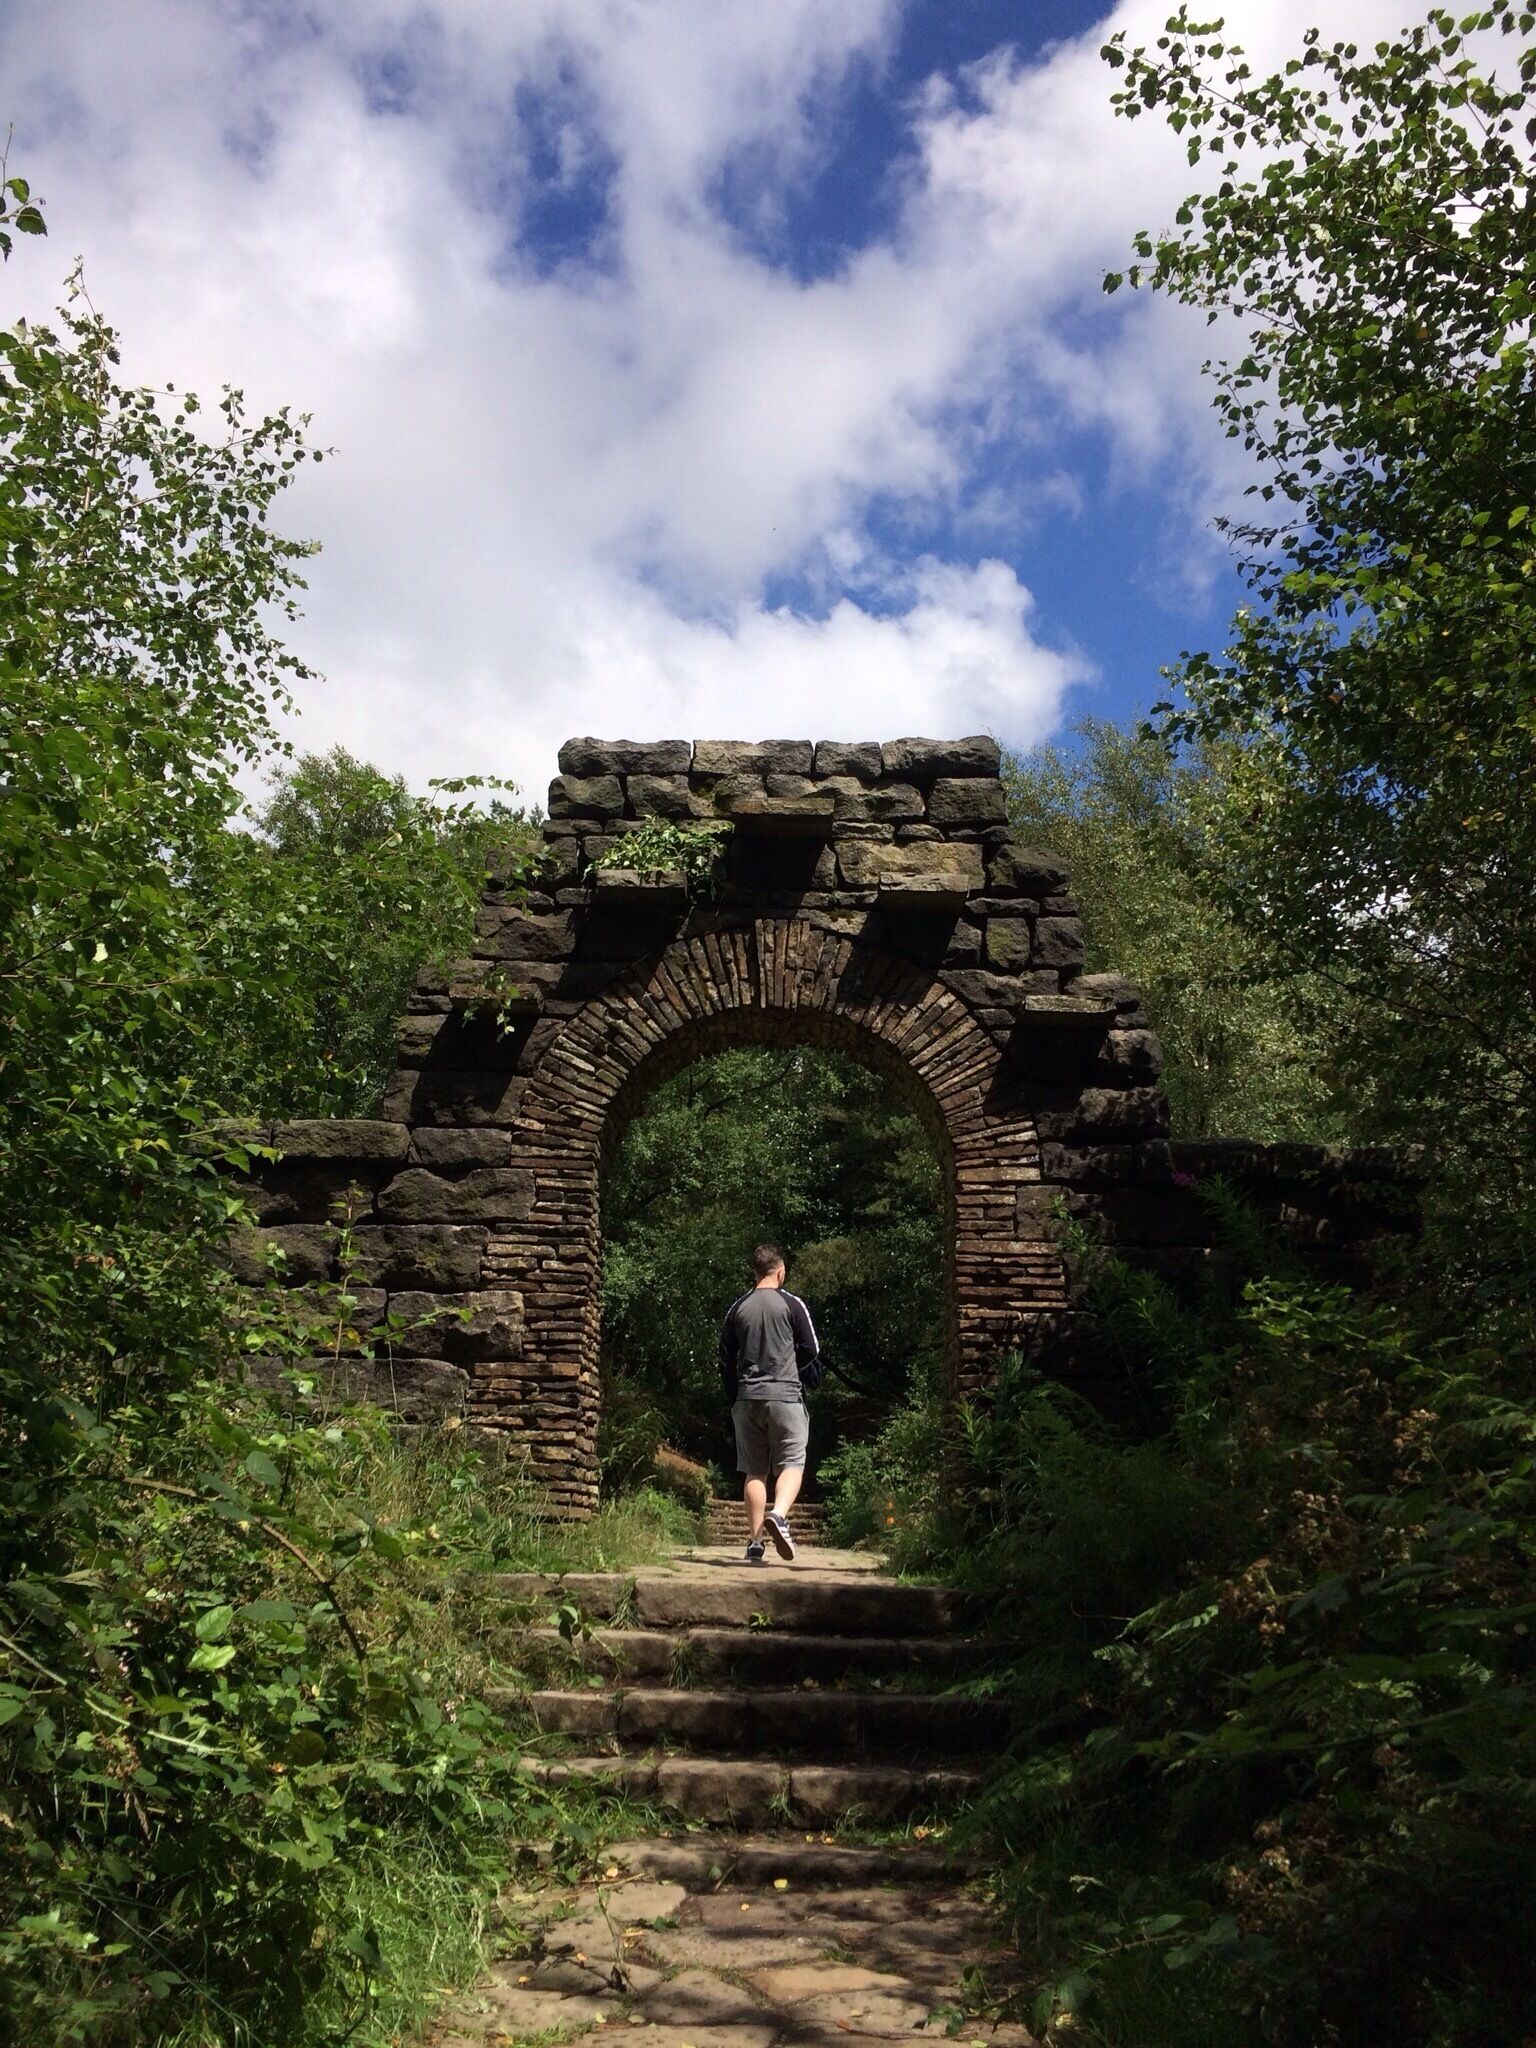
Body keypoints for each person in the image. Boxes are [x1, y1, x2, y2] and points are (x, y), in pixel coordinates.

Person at [718, 1242, 821, 1564]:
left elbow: (724, 1358)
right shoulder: (791, 1304)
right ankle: (778, 1514)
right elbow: (811, 1349)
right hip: (786, 1397)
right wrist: (792, 1367)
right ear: (781, 1272)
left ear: (755, 1272)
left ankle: (754, 1542)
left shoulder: (738, 1307)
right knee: (792, 1462)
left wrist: (735, 1394)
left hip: (747, 1398)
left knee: (754, 1471)